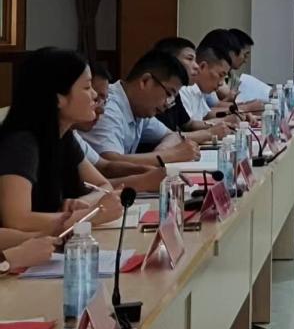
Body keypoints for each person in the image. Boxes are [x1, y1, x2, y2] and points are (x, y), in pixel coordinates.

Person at [0, 49, 122, 234]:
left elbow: (104, 186)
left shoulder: (64, 136)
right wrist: (93, 214)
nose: (94, 95)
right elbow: (17, 221)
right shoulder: (20, 143)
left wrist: (80, 204)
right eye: (87, 87)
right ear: (58, 98)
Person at [80, 49, 200, 168]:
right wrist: (170, 156)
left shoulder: (138, 108)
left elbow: (172, 135)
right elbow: (110, 163)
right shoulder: (108, 106)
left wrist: (162, 153)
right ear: (145, 81)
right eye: (168, 94)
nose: (167, 104)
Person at [75, 64, 167, 193]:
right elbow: (79, 190)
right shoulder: (46, 139)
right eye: (87, 89)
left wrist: (143, 170)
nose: (102, 109)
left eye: (103, 100)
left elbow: (104, 167)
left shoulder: (70, 136)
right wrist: (142, 181)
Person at [154, 38, 232, 142]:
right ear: (169, 60)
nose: (196, 66)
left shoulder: (176, 93)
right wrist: (210, 133)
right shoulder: (155, 95)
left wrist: (221, 125)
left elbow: (188, 124)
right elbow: (168, 137)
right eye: (190, 59)